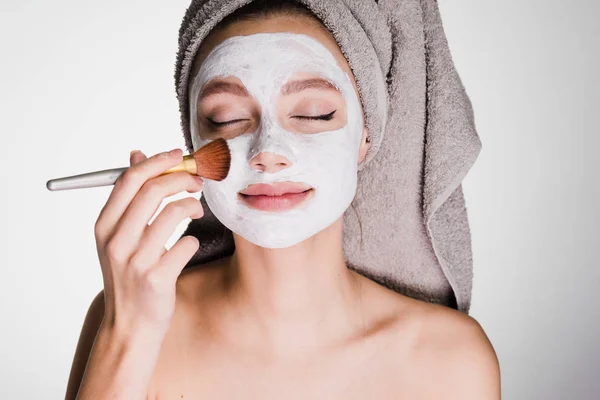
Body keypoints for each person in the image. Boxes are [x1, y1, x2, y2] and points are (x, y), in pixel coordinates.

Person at [65, 1, 500, 399]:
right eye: (227, 118)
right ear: (193, 143)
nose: (267, 153)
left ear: (367, 133)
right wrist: (128, 337)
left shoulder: (450, 359)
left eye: (314, 113)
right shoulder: (125, 318)